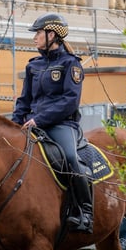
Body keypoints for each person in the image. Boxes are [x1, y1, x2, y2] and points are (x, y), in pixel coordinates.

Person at [11, 13, 93, 234]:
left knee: (69, 158)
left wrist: (39, 119)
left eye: (38, 33)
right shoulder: (33, 66)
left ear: (52, 35)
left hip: (62, 125)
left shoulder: (71, 65)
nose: (35, 38)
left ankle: (85, 212)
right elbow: (24, 100)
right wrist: (14, 123)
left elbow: (69, 102)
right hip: (32, 124)